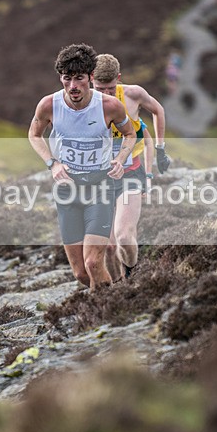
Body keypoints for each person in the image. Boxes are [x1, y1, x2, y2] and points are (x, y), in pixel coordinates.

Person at [28, 43, 136, 290]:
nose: (73, 86)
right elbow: (34, 135)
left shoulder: (109, 106)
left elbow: (130, 134)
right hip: (67, 191)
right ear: (61, 78)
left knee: (93, 263)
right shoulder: (49, 105)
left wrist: (120, 160)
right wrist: (52, 164)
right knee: (81, 274)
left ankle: (112, 312)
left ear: (90, 77)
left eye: (79, 79)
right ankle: (109, 298)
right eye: (67, 79)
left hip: (100, 187)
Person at [92, 53, 170, 280]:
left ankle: (133, 274)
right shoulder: (81, 101)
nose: (105, 94)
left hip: (130, 172)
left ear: (118, 78)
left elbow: (158, 110)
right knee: (108, 247)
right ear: (89, 80)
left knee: (125, 237)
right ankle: (118, 290)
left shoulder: (133, 94)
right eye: (99, 88)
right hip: (100, 179)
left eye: (110, 88)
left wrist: (161, 149)